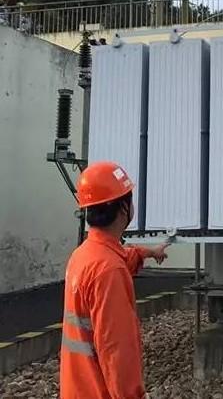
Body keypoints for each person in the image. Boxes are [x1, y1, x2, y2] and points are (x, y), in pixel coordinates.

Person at [60, 161, 169, 399]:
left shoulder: (84, 255)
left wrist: (149, 252)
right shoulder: (109, 271)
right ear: (123, 208)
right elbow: (117, 353)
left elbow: (121, 256)